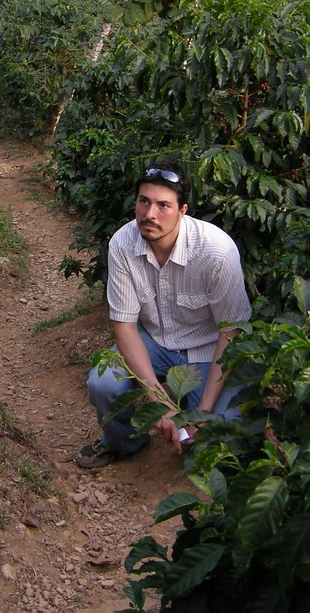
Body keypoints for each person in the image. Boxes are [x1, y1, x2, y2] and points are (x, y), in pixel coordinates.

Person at [75, 159, 252, 469]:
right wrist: (159, 406)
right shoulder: (122, 244)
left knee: (221, 434)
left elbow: (230, 332)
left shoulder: (216, 251)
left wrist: (205, 411)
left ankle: (206, 421)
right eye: (143, 202)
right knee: (103, 385)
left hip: (207, 349)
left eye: (163, 206)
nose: (150, 214)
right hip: (154, 341)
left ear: (182, 211)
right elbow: (125, 327)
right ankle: (122, 441)